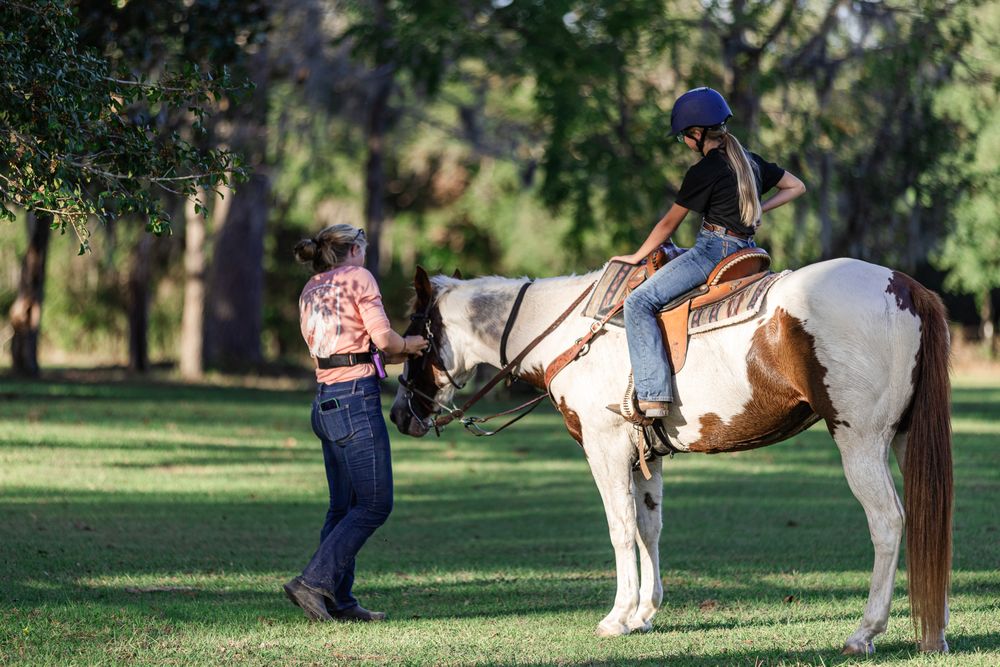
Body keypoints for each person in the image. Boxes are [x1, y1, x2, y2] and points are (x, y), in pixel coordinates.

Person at [610, 87, 806, 418]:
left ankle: (652, 395)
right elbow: (796, 186)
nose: (686, 144)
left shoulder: (705, 170)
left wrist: (635, 256)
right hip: (746, 249)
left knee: (638, 302)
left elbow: (667, 225)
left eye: (684, 137)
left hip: (713, 252)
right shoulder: (751, 161)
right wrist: (759, 209)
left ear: (698, 133)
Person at [283, 223, 428, 622]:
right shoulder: (359, 277)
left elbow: (346, 350)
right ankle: (312, 582)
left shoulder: (312, 287)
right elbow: (385, 341)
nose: (365, 256)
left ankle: (339, 601)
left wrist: (393, 352)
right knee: (375, 504)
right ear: (352, 250)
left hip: (325, 403)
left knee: (341, 506)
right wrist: (410, 345)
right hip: (355, 403)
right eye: (362, 249)